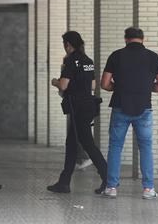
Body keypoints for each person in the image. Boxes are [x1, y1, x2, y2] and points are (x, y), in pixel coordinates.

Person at [101, 27, 158, 199]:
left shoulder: (116, 56)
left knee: (115, 147)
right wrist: (147, 88)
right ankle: (148, 189)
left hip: (120, 106)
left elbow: (104, 84)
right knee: (145, 147)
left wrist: (119, 87)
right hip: (143, 108)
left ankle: (111, 187)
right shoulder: (153, 57)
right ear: (142, 39)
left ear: (126, 39)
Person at [47, 31, 107, 194]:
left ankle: (108, 178)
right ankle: (64, 182)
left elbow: (64, 85)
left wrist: (54, 82)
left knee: (87, 143)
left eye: (64, 44)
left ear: (68, 45)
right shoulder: (88, 61)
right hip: (87, 106)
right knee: (72, 144)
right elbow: (93, 86)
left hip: (77, 108)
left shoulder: (71, 61)